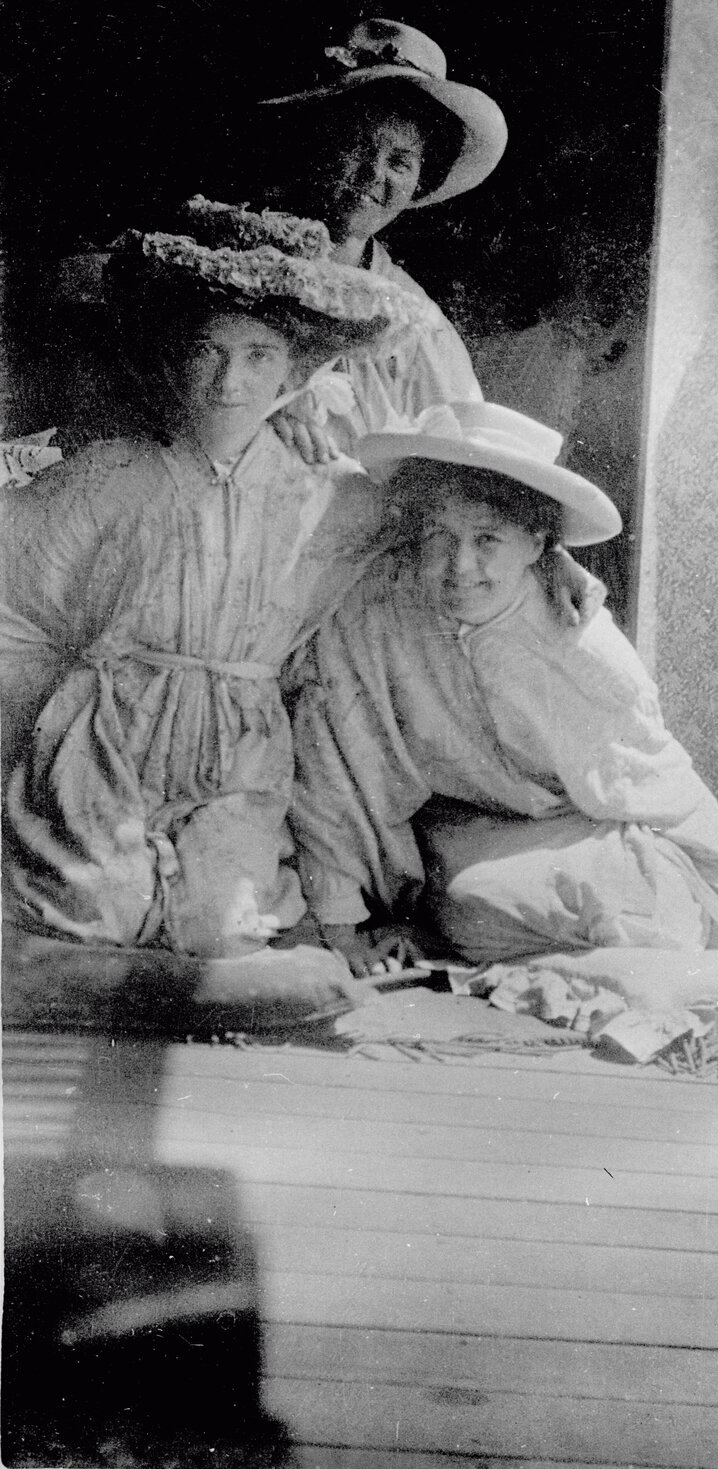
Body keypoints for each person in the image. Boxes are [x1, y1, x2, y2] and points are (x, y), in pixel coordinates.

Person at [0, 198, 425, 958]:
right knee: (94, 920)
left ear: (295, 369)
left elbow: (440, 529)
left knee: (218, 933)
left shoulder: (333, 494)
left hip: (239, 754)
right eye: (208, 349)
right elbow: (15, 579)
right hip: (107, 741)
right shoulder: (110, 475)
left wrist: (552, 558)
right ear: (170, 354)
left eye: (259, 356)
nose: (231, 381)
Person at [289, 401, 718, 987]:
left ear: (539, 544)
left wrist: (697, 887)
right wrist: (342, 923)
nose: (461, 565)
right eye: (439, 536)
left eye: (488, 539)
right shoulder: (377, 613)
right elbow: (333, 764)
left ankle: (662, 954)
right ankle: (616, 961)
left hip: (597, 829)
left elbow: (656, 796)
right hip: (468, 833)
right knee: (469, 902)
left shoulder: (579, 644)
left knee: (609, 900)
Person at [254, 17, 507, 456]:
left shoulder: (418, 329)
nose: (374, 174)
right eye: (356, 146)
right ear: (313, 142)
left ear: (420, 181)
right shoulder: (234, 269)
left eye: (401, 162)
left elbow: (452, 470)